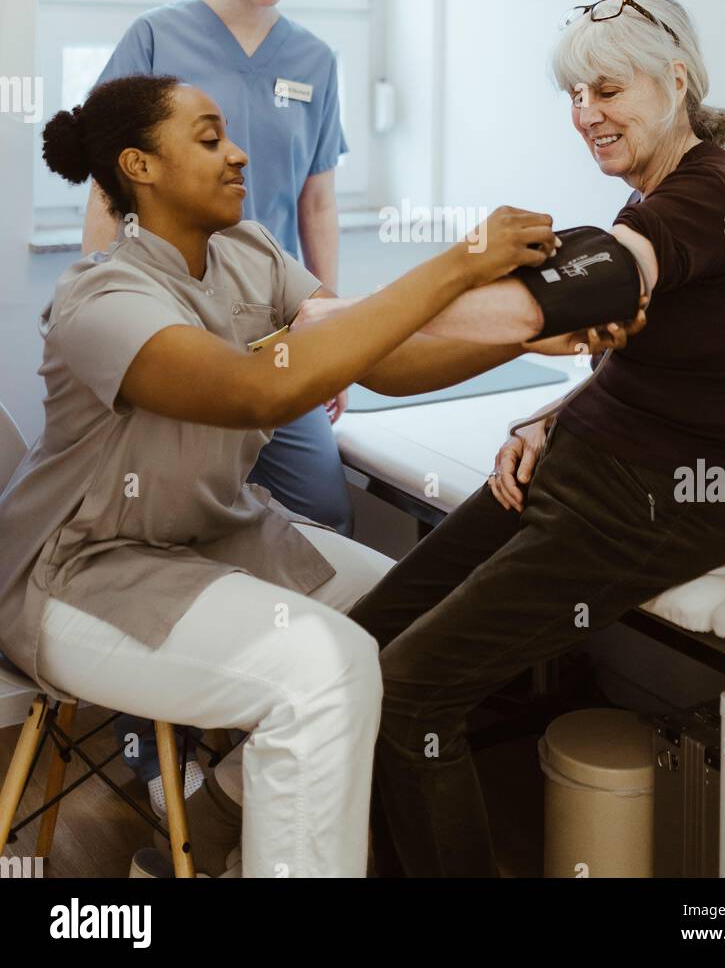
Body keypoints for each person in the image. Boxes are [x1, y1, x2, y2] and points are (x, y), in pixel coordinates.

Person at [0, 73, 568, 876]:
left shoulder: (250, 251)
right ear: (141, 166)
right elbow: (258, 389)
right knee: (323, 668)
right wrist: (462, 263)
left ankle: (221, 810)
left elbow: (382, 357)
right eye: (207, 139)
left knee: (412, 618)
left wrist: (528, 331)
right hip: (85, 572)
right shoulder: (101, 297)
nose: (237, 153)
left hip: (214, 538)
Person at [327, 0, 725, 878]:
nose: (587, 115)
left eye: (607, 89)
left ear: (678, 81)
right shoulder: (663, 195)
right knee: (367, 639)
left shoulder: (708, 200)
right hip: (588, 471)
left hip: (661, 500)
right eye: (575, 95)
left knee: (412, 692)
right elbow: (650, 364)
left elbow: (599, 285)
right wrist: (552, 417)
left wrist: (351, 322)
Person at [81, 0, 353, 805]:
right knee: (160, 525)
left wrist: (335, 329)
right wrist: (103, 305)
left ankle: (261, 737)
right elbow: (107, 186)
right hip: (170, 319)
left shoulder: (314, 60)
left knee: (319, 509)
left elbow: (317, 197)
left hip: (274, 319)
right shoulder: (158, 38)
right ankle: (155, 750)